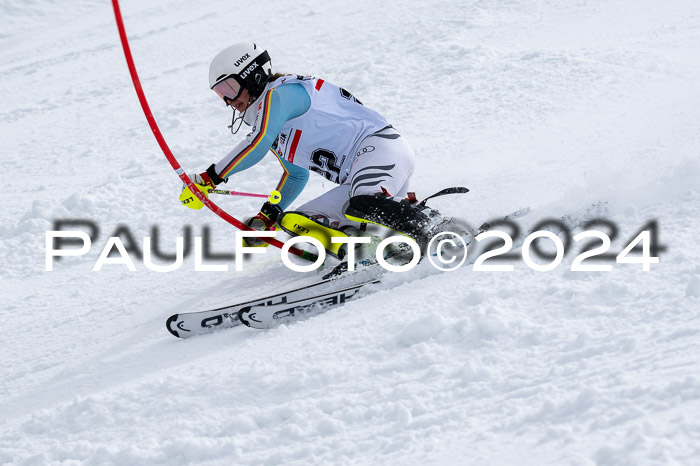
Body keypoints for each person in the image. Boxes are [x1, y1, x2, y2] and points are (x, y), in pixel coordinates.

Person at [180, 42, 441, 262]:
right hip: (358, 179)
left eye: (229, 89)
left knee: (361, 202)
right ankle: (365, 252)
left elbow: (257, 143)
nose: (228, 101)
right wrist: (268, 215)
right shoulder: (267, 119)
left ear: (253, 75)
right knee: (300, 222)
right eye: (220, 94)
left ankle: (433, 227)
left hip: (381, 149)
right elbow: (295, 176)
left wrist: (210, 177)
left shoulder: (280, 94)